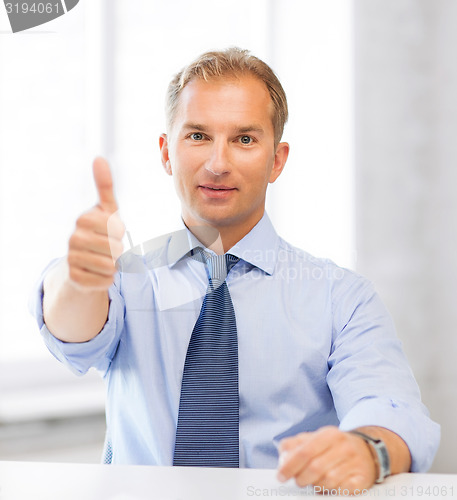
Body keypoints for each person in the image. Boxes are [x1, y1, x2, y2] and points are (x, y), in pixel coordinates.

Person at [32, 47, 439, 493]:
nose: (218, 163)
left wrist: (366, 451)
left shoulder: (340, 297)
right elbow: (73, 332)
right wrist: (77, 279)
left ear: (277, 159)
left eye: (244, 139)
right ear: (167, 152)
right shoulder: (126, 279)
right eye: (198, 136)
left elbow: (390, 407)